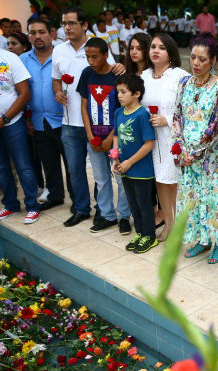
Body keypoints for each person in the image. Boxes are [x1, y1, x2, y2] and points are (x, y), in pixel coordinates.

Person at [52, 6, 123, 227]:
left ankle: (107, 212)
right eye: (64, 23)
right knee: (75, 170)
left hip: (101, 124)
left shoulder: (98, 46)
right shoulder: (59, 50)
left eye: (71, 23)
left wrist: (121, 67)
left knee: (108, 173)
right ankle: (82, 209)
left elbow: (113, 71)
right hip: (70, 122)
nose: (67, 27)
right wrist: (56, 91)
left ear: (84, 25)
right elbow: (56, 79)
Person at [172, 33, 218, 264]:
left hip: (211, 157)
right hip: (187, 154)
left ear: (214, 60)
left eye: (202, 60)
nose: (196, 64)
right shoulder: (184, 83)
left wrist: (196, 152)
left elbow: (216, 125)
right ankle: (202, 239)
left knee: (214, 198)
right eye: (193, 58)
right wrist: (180, 149)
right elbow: (177, 116)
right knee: (192, 198)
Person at [0, 17, 41, 224]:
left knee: (23, 166)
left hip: (12, 123)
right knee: (0, 167)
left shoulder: (9, 58)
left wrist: (4, 119)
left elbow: (24, 94)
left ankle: (32, 205)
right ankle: (11, 205)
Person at [76, 37, 131, 235]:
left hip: (115, 138)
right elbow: (83, 106)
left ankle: (124, 216)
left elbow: (124, 109)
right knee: (101, 179)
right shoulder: (86, 74)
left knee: (121, 178)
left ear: (106, 54)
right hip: (94, 137)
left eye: (95, 57)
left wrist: (110, 137)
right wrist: (90, 135)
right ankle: (107, 215)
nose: (91, 61)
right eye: (87, 57)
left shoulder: (117, 75)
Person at [141, 33, 189, 241]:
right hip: (151, 138)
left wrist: (167, 119)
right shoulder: (143, 76)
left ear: (170, 52)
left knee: (174, 182)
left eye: (161, 47)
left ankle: (181, 226)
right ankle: (168, 224)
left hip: (173, 137)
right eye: (153, 47)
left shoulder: (180, 76)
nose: (156, 51)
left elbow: (189, 109)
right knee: (160, 182)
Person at [21, 18, 73, 211]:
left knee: (71, 165)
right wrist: (27, 118)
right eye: (33, 33)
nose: (37, 36)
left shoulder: (62, 56)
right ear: (29, 36)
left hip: (64, 119)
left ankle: (78, 201)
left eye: (41, 32)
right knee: (49, 163)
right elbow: (21, 91)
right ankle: (56, 196)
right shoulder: (23, 60)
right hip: (38, 121)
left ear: (51, 34)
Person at [112, 74, 158, 253]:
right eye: (118, 92)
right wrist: (115, 156)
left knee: (144, 204)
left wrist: (129, 162)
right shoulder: (118, 112)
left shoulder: (142, 115)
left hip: (141, 170)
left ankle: (150, 236)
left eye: (123, 92)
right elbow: (116, 134)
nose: (119, 96)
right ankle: (140, 233)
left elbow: (149, 144)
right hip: (124, 168)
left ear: (136, 93)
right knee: (133, 203)